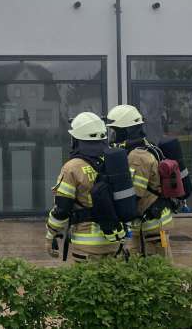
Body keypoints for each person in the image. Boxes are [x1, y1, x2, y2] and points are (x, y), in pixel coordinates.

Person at [46, 112, 126, 262]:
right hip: (115, 240)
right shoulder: (114, 161)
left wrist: (51, 235)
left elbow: (62, 209)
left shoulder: (72, 168)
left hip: (87, 246)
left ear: (76, 140)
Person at [106, 104, 173, 258]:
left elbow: (134, 195)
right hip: (150, 223)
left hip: (152, 226)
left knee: (157, 266)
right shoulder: (146, 147)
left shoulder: (137, 157)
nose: (114, 136)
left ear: (128, 131)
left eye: (117, 131)